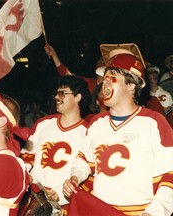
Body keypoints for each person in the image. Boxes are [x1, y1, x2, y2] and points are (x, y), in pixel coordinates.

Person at [63, 53, 173, 215]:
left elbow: (169, 176)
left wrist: (154, 213)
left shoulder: (154, 122)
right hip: (98, 211)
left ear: (131, 85)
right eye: (104, 77)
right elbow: (85, 161)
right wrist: (75, 177)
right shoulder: (96, 122)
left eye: (112, 77)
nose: (104, 83)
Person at [20, 75, 91, 215]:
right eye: (56, 94)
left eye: (62, 93)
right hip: (32, 201)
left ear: (78, 97)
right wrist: (23, 176)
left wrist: (60, 193)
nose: (57, 98)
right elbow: (26, 157)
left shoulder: (88, 133)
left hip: (63, 207)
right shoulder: (43, 124)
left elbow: (88, 176)